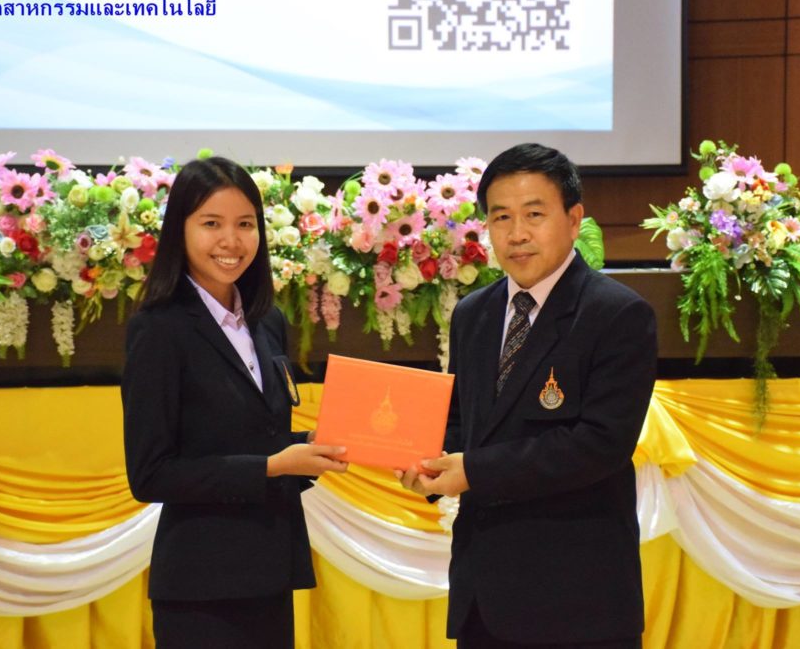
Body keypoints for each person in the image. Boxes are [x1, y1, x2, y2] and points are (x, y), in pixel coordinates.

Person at [398, 143, 657, 648]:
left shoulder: (617, 315)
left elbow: (599, 445)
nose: (516, 234)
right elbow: (463, 423)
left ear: (574, 219)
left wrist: (473, 471)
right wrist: (424, 462)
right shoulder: (473, 313)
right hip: (483, 598)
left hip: (577, 601)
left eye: (534, 215)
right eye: (501, 217)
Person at [121, 156, 348, 648]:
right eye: (211, 224)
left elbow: (256, 436)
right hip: (201, 586)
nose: (232, 240)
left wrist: (308, 446)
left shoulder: (267, 321)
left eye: (245, 224)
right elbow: (151, 474)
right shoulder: (159, 329)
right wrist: (272, 466)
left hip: (270, 572)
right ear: (179, 230)